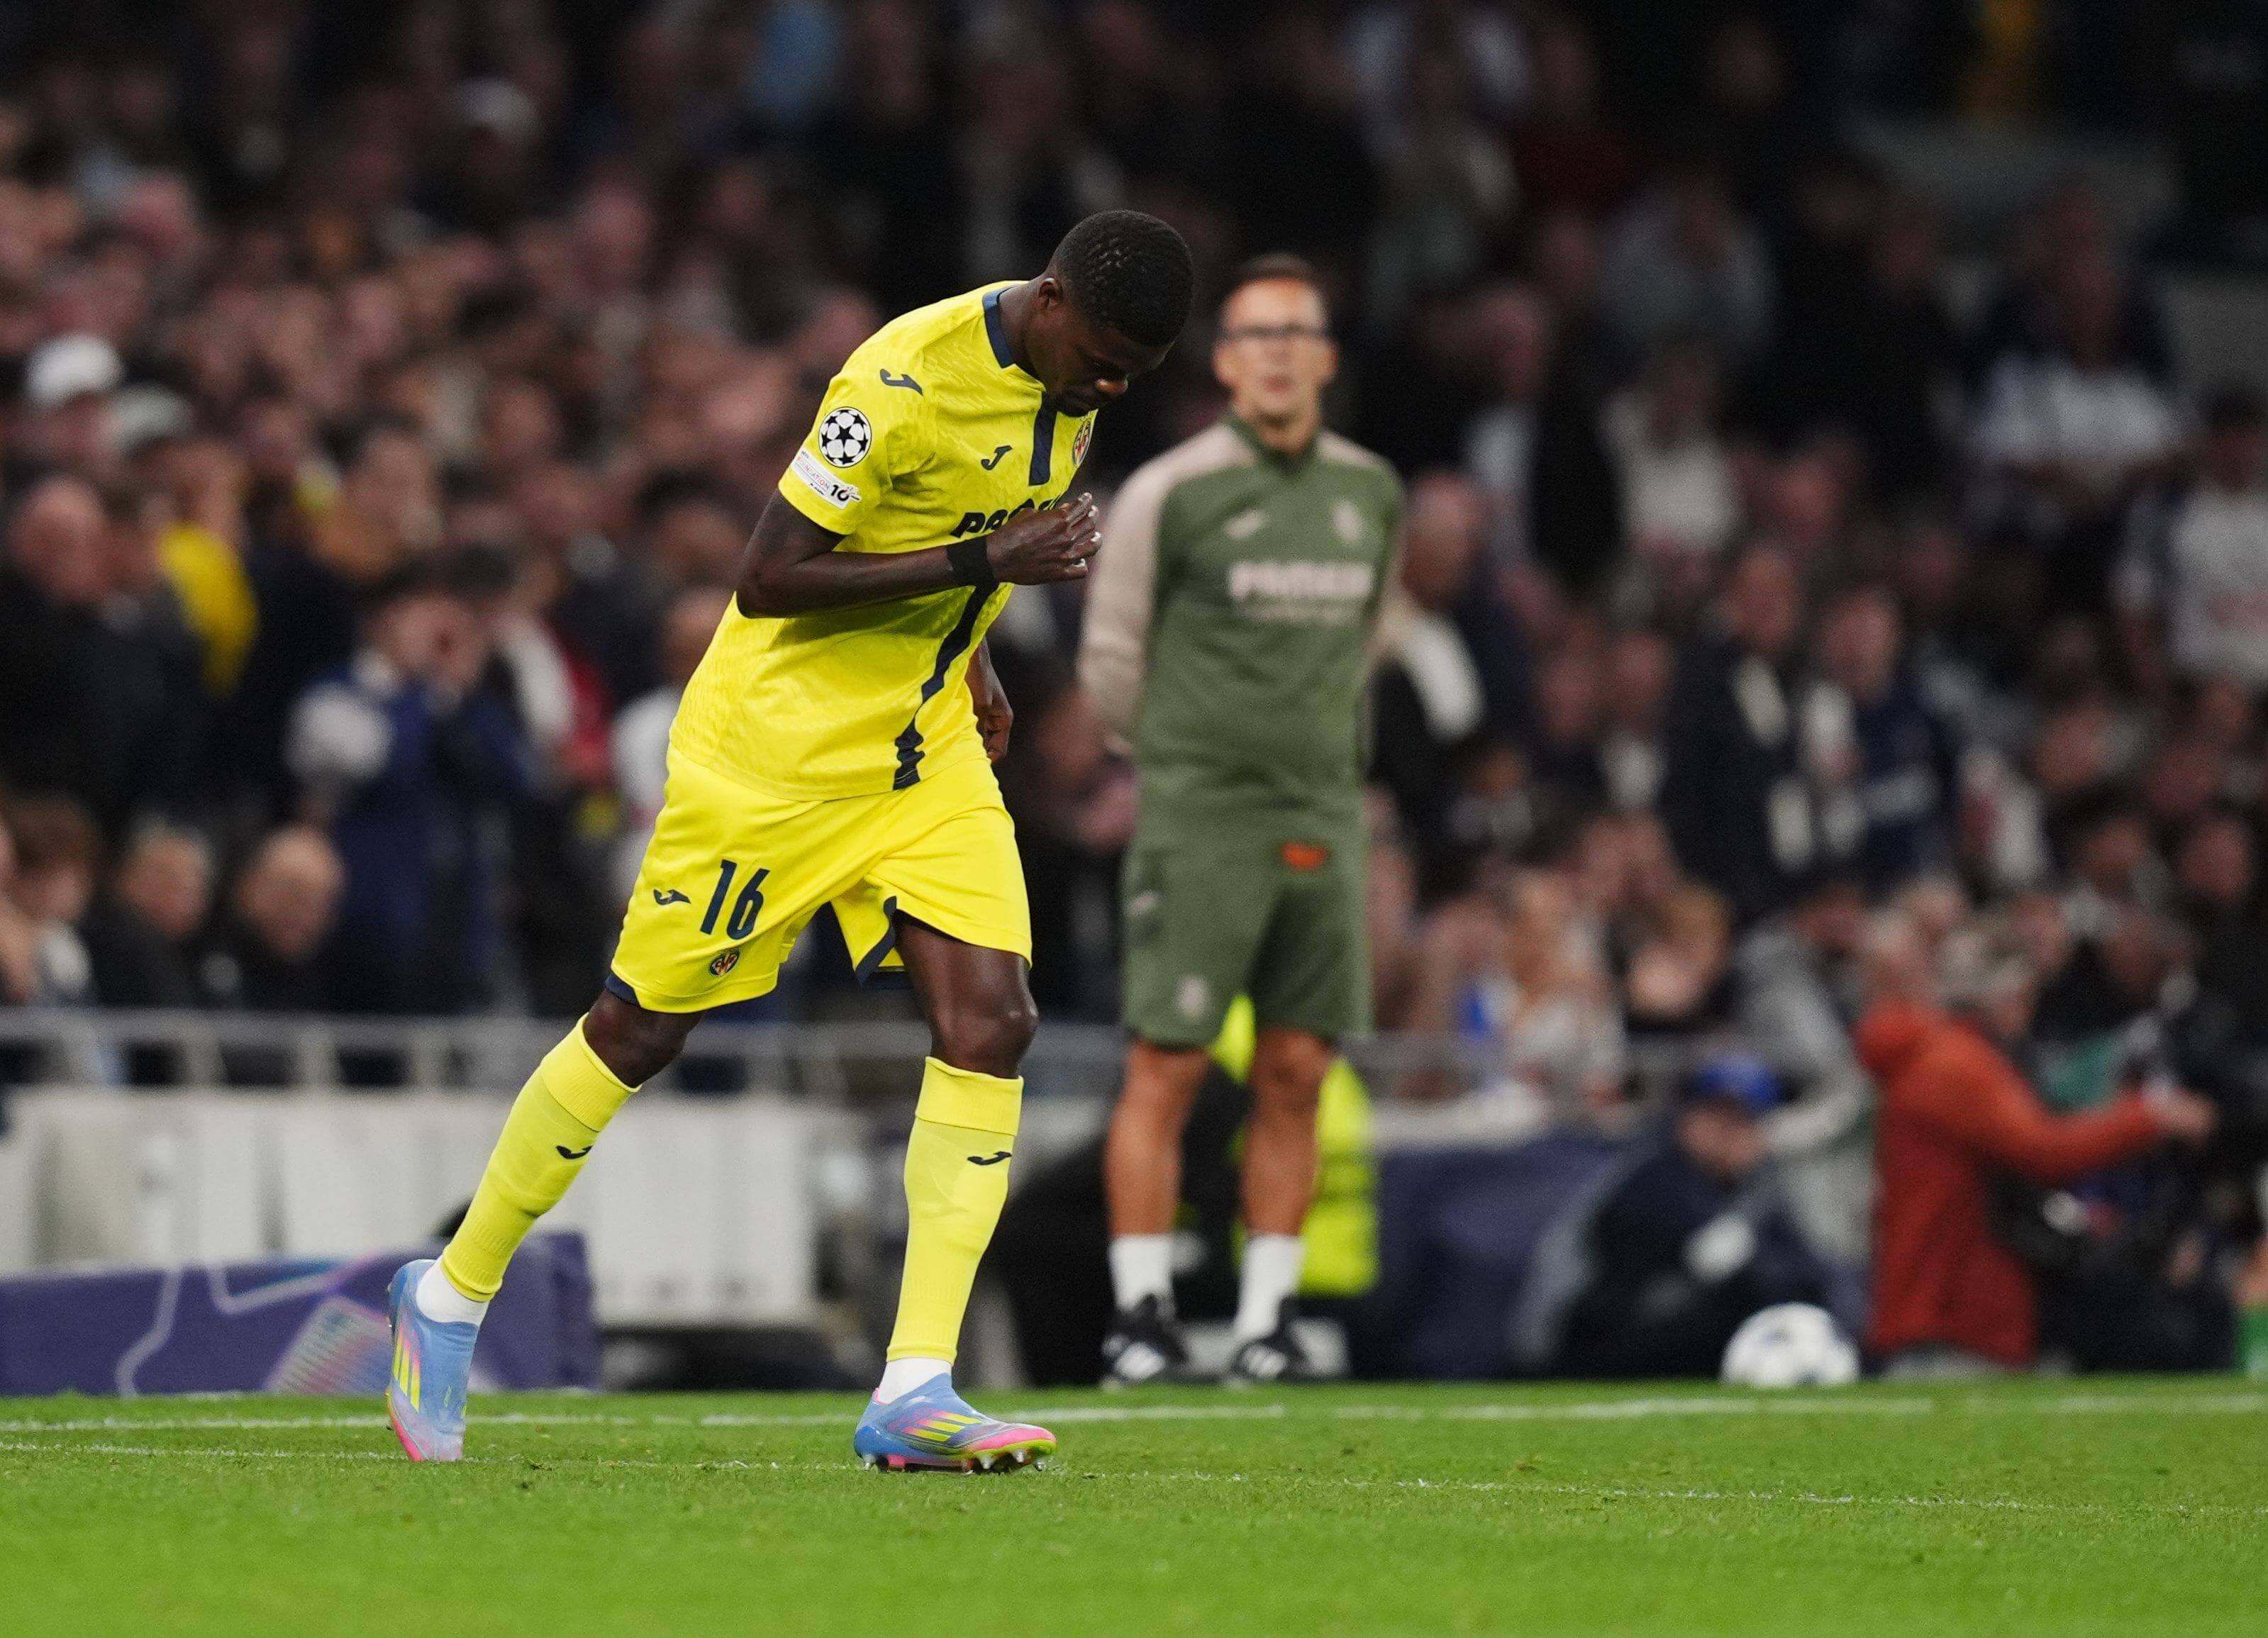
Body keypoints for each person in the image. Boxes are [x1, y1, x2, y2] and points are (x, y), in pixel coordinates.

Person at [384, 211, 1194, 1471]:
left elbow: (966, 527)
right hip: (777, 758)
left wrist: (971, 653)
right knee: (639, 1030)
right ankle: (449, 1292)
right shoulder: (899, 380)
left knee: (992, 1021)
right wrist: (987, 560)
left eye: (1131, 376)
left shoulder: (1069, 382)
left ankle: (914, 1385)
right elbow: (767, 579)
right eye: (1098, 361)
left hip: (917, 747)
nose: (1108, 389)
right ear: (1049, 300)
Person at [1081, 254, 1401, 1385]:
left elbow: (1366, 642)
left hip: (1322, 808)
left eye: (1295, 332)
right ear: (1222, 361)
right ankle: (1141, 1316)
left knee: (1299, 1066)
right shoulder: (1171, 491)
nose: (1276, 353)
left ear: (1325, 357)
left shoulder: (1370, 492)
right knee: (1166, 1062)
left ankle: (1267, 1321)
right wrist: (1183, 765)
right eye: (1255, 334)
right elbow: (1111, 656)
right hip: (1201, 812)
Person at [1857, 914, 2216, 1374]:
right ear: (1999, 994)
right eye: (2023, 995)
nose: (2027, 1011)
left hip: (1939, 1300)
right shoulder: (1957, 1063)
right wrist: (2150, 1114)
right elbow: (2047, 1149)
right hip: (1950, 1310)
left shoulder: (1944, 1056)